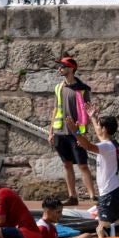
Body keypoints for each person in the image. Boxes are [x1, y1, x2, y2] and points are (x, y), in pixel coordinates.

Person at [48, 58, 97, 207]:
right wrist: (50, 132)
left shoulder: (83, 89)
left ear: (71, 68)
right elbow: (55, 110)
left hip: (76, 134)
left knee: (82, 165)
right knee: (67, 164)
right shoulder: (58, 87)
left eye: (62, 66)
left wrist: (82, 134)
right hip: (60, 132)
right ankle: (72, 196)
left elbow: (88, 112)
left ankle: (92, 196)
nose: (59, 69)